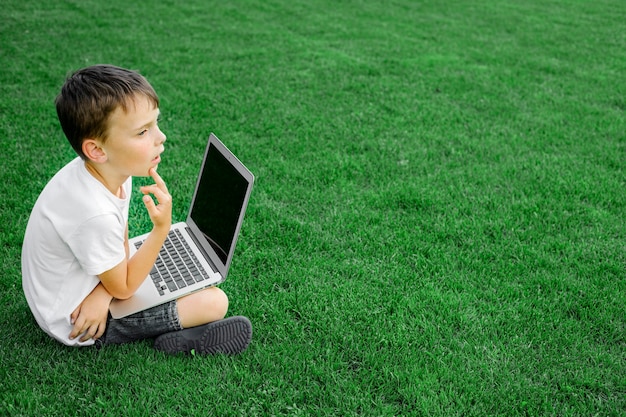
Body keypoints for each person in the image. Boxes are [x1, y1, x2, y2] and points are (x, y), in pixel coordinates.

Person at [21, 65, 252, 355]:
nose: (161, 137)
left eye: (155, 123)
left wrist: (104, 289)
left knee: (171, 276)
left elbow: (119, 237)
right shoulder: (95, 215)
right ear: (97, 150)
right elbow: (125, 288)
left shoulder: (110, 172)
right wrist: (161, 230)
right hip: (75, 319)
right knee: (214, 302)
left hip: (89, 284)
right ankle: (182, 340)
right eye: (143, 131)